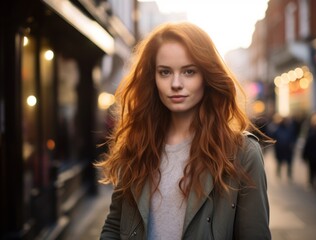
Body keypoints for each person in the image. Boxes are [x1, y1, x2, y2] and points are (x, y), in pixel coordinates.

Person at [95, 22, 272, 240]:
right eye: (165, 72)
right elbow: (114, 226)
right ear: (153, 78)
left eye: (189, 71)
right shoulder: (138, 144)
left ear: (206, 76)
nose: (176, 83)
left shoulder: (242, 152)